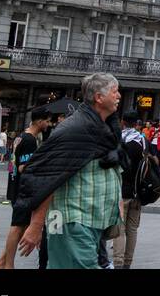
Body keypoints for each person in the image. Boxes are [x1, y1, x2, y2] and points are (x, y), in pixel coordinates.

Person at [16, 74, 124, 269]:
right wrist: (36, 225)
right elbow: (48, 177)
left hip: (87, 220)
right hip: (72, 219)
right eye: (115, 92)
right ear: (99, 98)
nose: (119, 96)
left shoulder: (100, 127)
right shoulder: (75, 129)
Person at [0, 108, 51, 269]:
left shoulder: (20, 136)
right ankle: (8, 265)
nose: (48, 124)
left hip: (14, 183)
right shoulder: (30, 140)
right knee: (17, 227)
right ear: (39, 121)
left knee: (22, 226)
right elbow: (24, 167)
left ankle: (2, 262)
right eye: (47, 121)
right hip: (22, 188)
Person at [112, 113, 150, 269]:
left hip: (120, 191)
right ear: (137, 124)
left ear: (122, 122)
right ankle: (128, 262)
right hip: (137, 191)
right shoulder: (142, 141)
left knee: (119, 230)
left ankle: (118, 262)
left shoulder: (117, 140)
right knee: (132, 229)